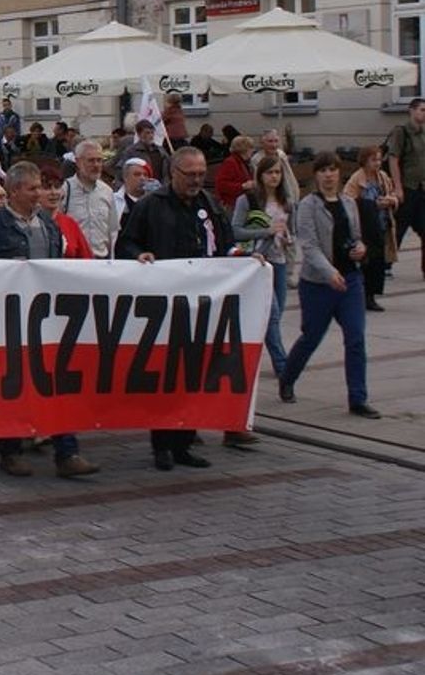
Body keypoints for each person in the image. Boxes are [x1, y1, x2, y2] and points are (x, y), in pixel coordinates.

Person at [116, 146, 246, 470]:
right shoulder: (150, 206)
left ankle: (185, 443)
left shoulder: (209, 205)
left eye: (202, 174)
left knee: (194, 376)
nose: (197, 180)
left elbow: (226, 243)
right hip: (165, 306)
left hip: (202, 305)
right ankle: (161, 445)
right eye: (191, 174)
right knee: (166, 378)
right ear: (174, 172)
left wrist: (241, 258)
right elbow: (126, 243)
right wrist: (139, 255)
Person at [0, 162, 100, 479]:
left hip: (47, 319)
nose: (39, 193)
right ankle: (10, 450)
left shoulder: (49, 226)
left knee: (57, 383)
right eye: (33, 188)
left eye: (40, 186)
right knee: (14, 385)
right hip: (10, 319)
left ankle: (67, 452)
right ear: (14, 191)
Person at [278, 153, 378, 418]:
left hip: (350, 281)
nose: (329, 175)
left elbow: (356, 236)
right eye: (323, 170)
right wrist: (329, 272)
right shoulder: (308, 205)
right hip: (318, 284)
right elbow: (309, 246)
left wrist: (360, 248)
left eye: (333, 170)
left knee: (355, 338)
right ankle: (287, 378)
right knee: (311, 337)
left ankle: (358, 398)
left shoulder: (348, 202)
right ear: (316, 175)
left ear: (339, 173)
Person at [232, 155, 297, 380]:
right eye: (270, 172)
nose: (274, 177)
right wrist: (266, 231)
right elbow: (236, 231)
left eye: (278, 172)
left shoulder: (287, 202)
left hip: (279, 261)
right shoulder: (248, 200)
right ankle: (282, 365)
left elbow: (292, 231)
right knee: (272, 314)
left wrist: (287, 238)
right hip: (258, 262)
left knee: (273, 315)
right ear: (260, 175)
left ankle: (251, 356)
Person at [344, 145, 398, 311]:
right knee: (365, 262)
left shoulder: (382, 177)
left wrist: (390, 201)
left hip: (381, 225)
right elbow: (348, 201)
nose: (377, 163)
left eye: (379, 159)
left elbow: (393, 194)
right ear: (365, 161)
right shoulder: (356, 179)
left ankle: (372, 295)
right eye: (373, 160)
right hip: (364, 227)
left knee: (377, 262)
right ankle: (361, 296)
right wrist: (372, 205)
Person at [385, 97, 425, 273]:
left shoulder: (423, 132)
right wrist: (398, 187)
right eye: (422, 110)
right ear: (412, 111)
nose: (424, 114)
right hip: (407, 188)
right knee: (399, 228)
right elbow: (393, 159)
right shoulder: (401, 132)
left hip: (421, 188)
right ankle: (386, 264)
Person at [60, 141, 118, 259]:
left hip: (101, 260)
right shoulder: (64, 190)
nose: (96, 165)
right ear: (78, 162)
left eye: (99, 160)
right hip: (74, 261)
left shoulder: (107, 192)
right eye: (91, 160)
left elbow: (113, 231)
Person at [215, 135, 257, 210]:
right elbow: (221, 185)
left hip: (239, 203)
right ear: (244, 149)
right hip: (231, 204)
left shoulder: (243, 163)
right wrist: (243, 186)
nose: (253, 151)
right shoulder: (230, 162)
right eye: (251, 148)